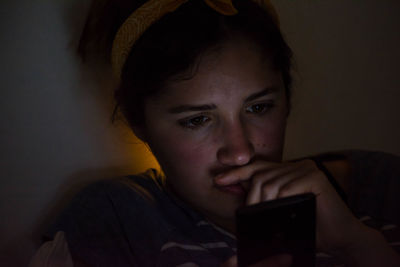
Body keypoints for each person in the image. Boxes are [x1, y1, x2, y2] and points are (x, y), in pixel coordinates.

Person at [29, 0, 400, 266]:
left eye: (258, 108)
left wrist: (361, 248)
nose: (240, 153)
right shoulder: (117, 220)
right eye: (196, 120)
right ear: (137, 121)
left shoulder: (382, 186)